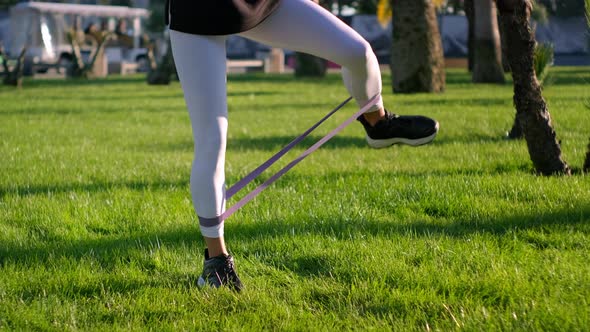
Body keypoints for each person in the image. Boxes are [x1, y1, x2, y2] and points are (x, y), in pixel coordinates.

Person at [166, 0, 439, 291]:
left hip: (264, 4)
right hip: (197, 14)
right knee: (213, 137)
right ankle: (216, 262)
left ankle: (378, 123)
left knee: (359, 53)